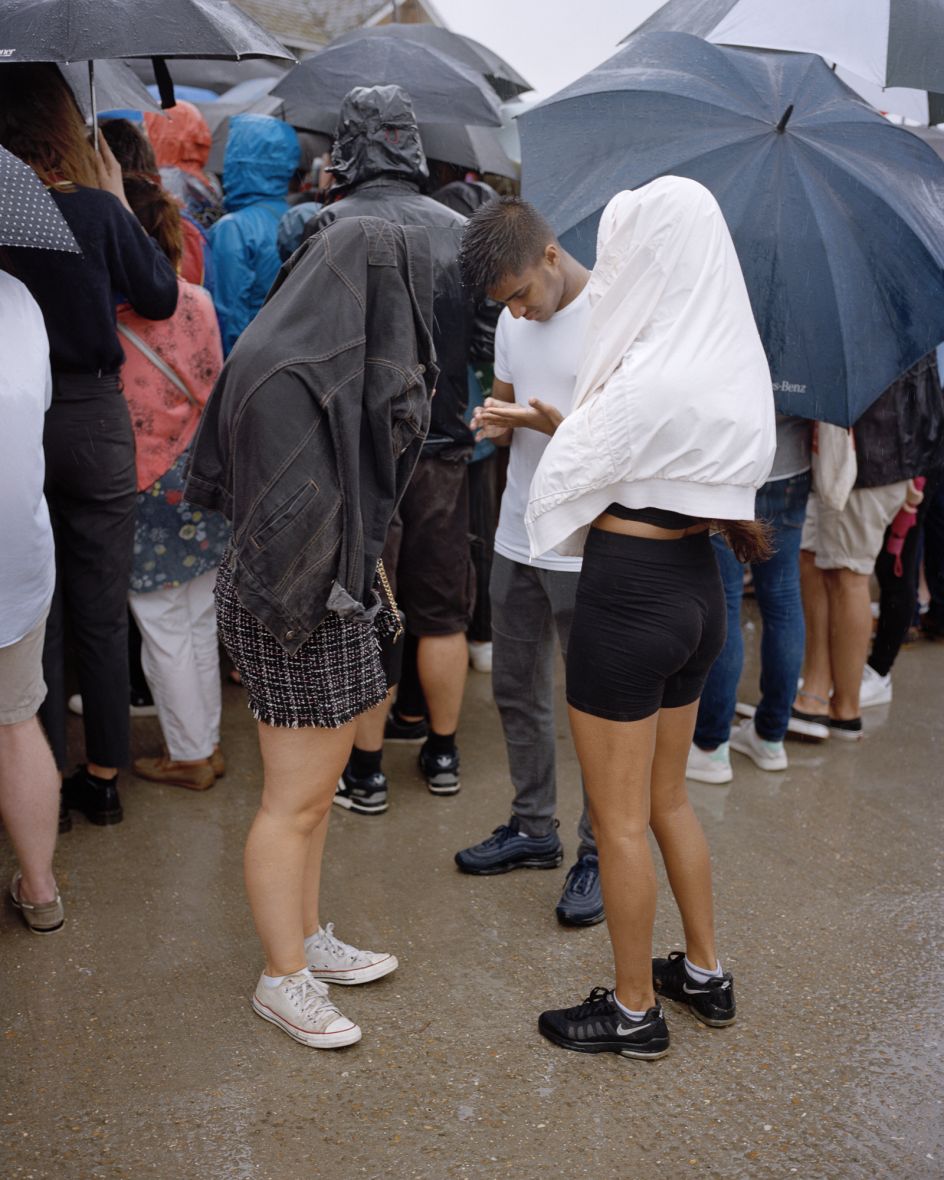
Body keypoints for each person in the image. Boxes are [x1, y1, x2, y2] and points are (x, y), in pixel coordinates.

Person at [490, 179, 775, 1058]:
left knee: (615, 820)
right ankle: (704, 970)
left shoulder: (648, 369)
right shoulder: (736, 365)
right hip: (700, 584)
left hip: (629, 586)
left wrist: (553, 419)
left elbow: (565, 476)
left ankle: (634, 1009)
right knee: (667, 802)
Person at [186, 215, 438, 1047]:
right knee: (292, 804)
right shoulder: (295, 371)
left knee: (313, 804)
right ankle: (280, 976)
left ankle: (306, 940)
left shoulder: (278, 344)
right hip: (296, 606)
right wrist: (333, 602)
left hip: (315, 597)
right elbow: (293, 518)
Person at [0, 64, 179, 828]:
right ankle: (104, 775)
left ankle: (35, 779)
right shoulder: (96, 214)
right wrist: (112, 200)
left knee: (30, 608)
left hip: (15, 420)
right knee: (101, 609)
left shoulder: (6, 215)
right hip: (94, 418)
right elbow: (161, 297)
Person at [304, 86, 480, 802]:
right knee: (443, 611)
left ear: (347, 142)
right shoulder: (461, 228)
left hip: (357, 454)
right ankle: (442, 754)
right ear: (411, 141)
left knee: (368, 610)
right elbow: (485, 341)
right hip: (441, 446)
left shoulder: (326, 224)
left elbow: (303, 349)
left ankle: (367, 770)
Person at [454, 196, 604, 927]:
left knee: (598, 711)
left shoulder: (611, 314)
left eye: (519, 296)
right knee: (517, 690)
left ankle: (599, 849)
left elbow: (622, 445)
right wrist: (494, 420)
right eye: (501, 306)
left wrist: (548, 422)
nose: (515, 315)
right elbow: (508, 407)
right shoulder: (515, 322)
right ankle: (533, 827)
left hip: (590, 543)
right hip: (519, 530)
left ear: (551, 256)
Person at [110, 162, 230, 791]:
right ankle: (205, 743)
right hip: (203, 474)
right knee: (199, 616)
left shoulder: (115, 314)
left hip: (143, 479)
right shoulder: (200, 300)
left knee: (160, 625)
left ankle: (189, 754)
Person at [797, 355, 944, 738]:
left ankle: (845, 707)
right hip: (870, 453)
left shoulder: (879, 310)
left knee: (848, 574)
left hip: (870, 458)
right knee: (817, 562)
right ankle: (817, 694)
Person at [686, 416, 812, 782]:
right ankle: (771, 737)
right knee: (783, 599)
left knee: (726, 602)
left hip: (729, 465)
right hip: (790, 467)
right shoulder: (808, 354)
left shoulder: (731, 354)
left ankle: (711, 747)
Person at [0, 269, 63, 933]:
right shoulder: (18, 295)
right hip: (14, 549)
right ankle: (40, 889)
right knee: (16, 720)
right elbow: (36, 402)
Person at [209, 114, 300, 354]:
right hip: (291, 358)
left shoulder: (233, 228)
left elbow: (229, 313)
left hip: (249, 361)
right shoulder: (301, 219)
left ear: (235, 161)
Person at [143, 101, 223, 230]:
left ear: (161, 132)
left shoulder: (162, 181)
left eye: (149, 128)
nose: (145, 134)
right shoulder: (207, 180)